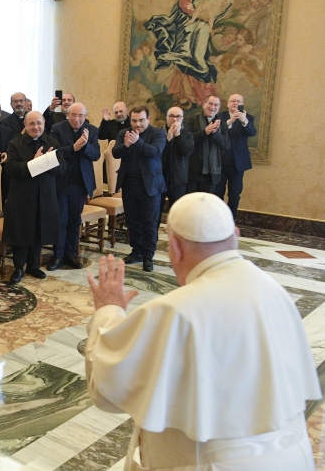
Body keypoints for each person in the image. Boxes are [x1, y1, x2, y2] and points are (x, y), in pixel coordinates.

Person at [85, 192, 320, 470]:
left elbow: (108, 389)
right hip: (293, 459)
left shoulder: (175, 312)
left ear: (174, 247)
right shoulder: (274, 292)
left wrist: (108, 310)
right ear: (235, 234)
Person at [3, 112, 64, 283]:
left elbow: (63, 168)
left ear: (44, 123)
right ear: (25, 124)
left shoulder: (52, 143)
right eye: (31, 124)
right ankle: (18, 268)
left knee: (39, 231)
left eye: (39, 123)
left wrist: (46, 161)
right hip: (22, 197)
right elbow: (11, 169)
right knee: (21, 233)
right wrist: (34, 163)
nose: (36, 127)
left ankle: (33, 266)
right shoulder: (14, 143)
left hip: (45, 197)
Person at [113, 106, 166, 272]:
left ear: (148, 119)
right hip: (129, 184)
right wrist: (126, 145)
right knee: (132, 221)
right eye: (134, 120)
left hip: (150, 186)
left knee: (149, 223)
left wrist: (138, 142)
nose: (137, 124)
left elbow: (155, 151)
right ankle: (136, 251)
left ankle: (148, 256)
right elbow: (115, 153)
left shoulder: (158, 133)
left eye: (141, 120)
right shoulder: (124, 133)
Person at [49, 103, 100, 271]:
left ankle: (71, 255)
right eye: (73, 115)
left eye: (80, 116)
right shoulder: (57, 128)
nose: (77, 119)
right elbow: (54, 153)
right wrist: (73, 148)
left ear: (85, 117)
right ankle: (57, 256)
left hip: (80, 183)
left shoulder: (91, 130)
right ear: (67, 114)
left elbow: (96, 155)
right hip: (61, 181)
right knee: (61, 219)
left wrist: (85, 145)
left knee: (74, 220)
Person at [214, 93, 256, 218]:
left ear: (242, 104)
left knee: (234, 193)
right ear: (228, 103)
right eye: (233, 101)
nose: (236, 103)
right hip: (220, 162)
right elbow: (217, 133)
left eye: (239, 101)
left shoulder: (248, 117)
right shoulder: (219, 116)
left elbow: (252, 132)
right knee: (218, 192)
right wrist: (230, 122)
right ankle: (218, 218)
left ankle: (230, 220)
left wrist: (244, 121)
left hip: (237, 164)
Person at [185, 95, 228, 194]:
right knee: (191, 203)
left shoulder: (222, 124)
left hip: (211, 173)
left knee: (206, 204)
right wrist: (205, 132)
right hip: (193, 171)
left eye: (216, 105)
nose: (213, 107)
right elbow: (188, 140)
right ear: (204, 104)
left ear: (219, 108)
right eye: (210, 103)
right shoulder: (192, 120)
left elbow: (225, 145)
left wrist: (215, 133)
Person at [161, 106, 194, 216]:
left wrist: (178, 135)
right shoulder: (159, 133)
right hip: (159, 178)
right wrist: (168, 139)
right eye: (171, 116)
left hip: (178, 180)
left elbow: (186, 151)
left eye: (178, 116)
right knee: (155, 212)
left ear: (182, 118)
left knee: (176, 213)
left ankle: (173, 234)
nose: (175, 119)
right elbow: (156, 153)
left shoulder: (188, 134)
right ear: (166, 117)